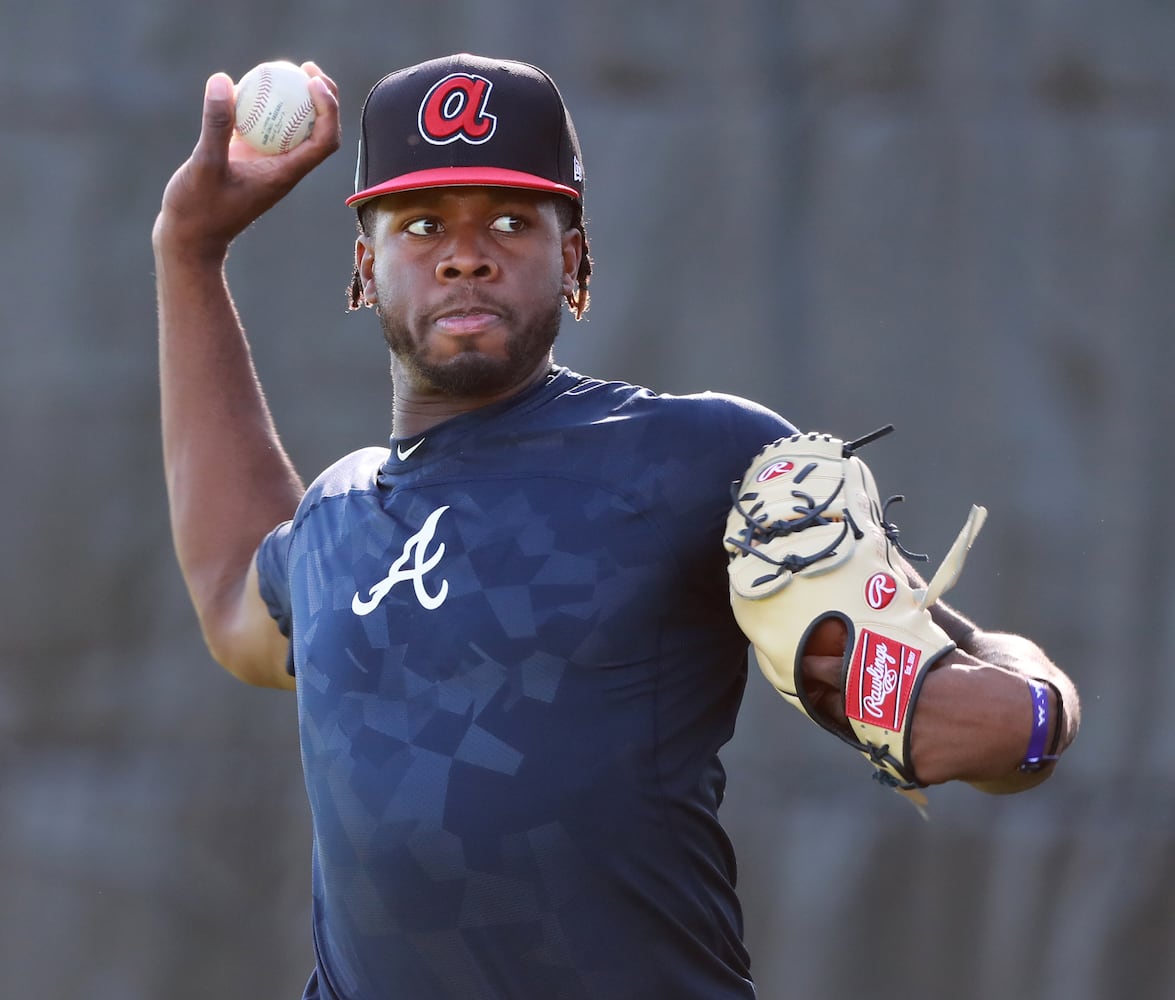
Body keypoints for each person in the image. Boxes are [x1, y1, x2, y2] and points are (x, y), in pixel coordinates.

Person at [153, 53, 1080, 1000]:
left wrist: (1028, 713)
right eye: (422, 223)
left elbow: (1003, 709)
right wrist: (188, 250)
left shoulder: (696, 454)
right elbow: (233, 596)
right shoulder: (336, 517)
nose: (464, 252)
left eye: (510, 221)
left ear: (576, 259)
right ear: (365, 267)